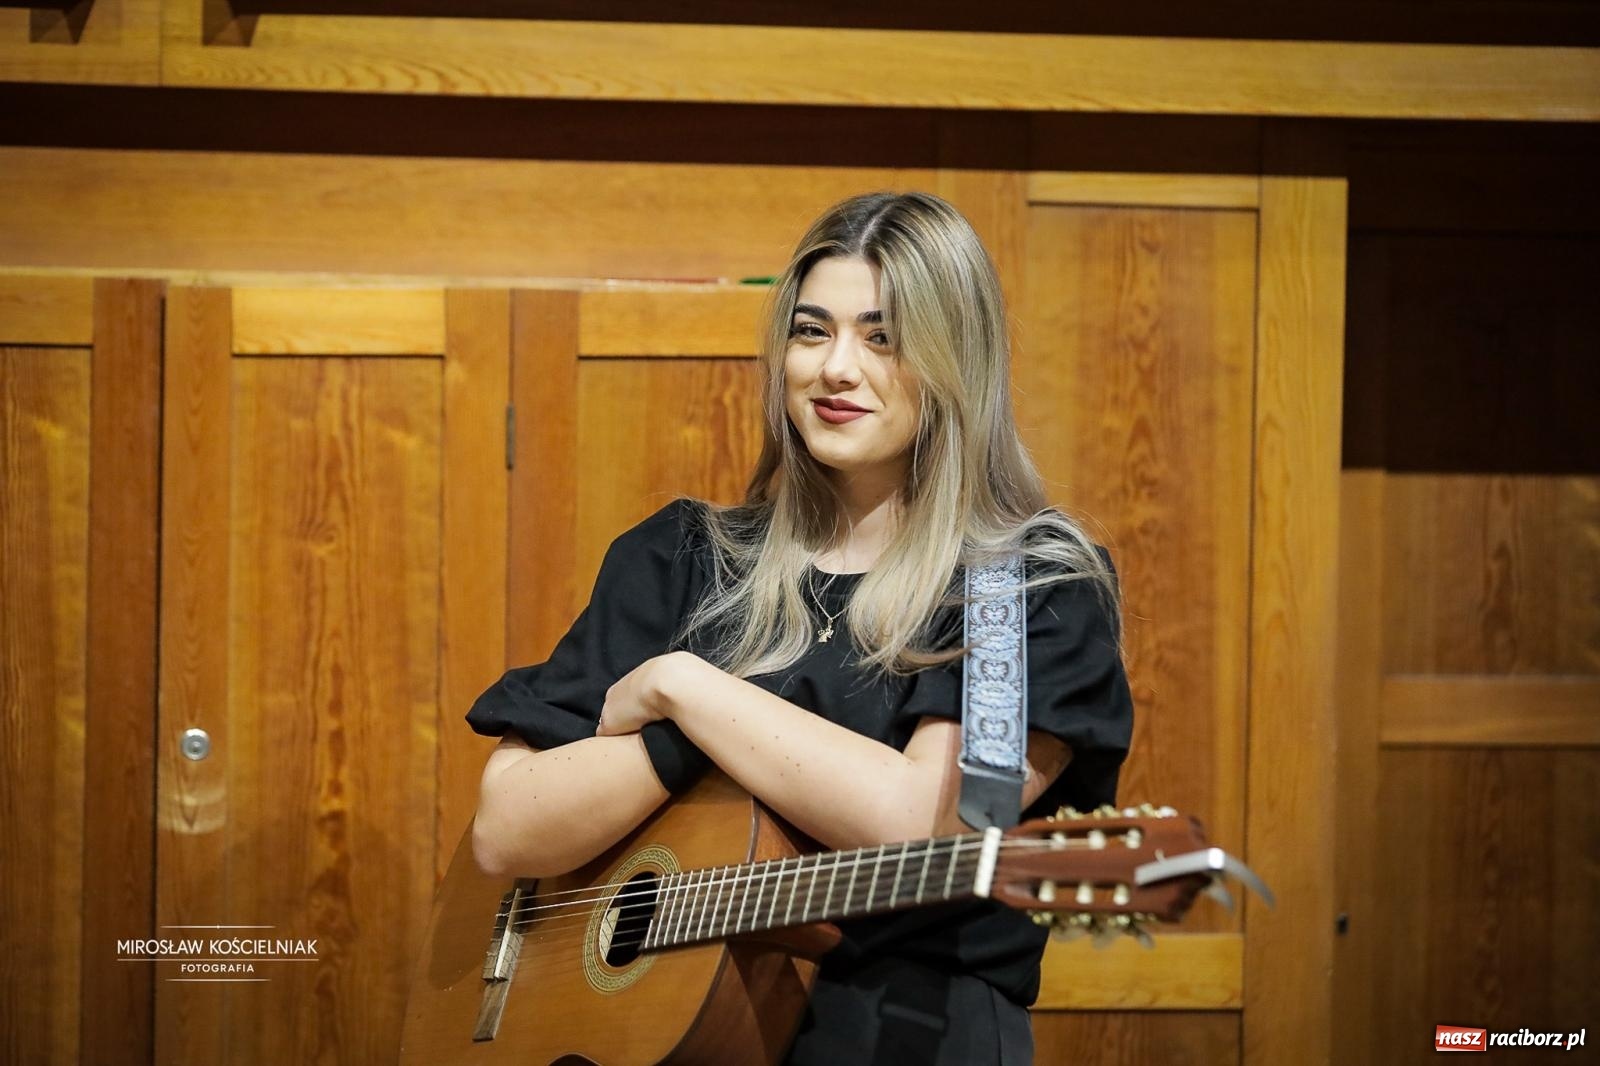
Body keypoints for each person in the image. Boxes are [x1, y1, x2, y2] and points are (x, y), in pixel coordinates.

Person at [466, 190, 1134, 1065]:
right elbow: (503, 829)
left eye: (882, 337)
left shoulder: (1026, 582)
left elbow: (925, 826)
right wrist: (686, 748)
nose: (835, 369)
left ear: (957, 359)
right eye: (812, 331)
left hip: (908, 1037)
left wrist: (688, 688)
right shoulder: (680, 556)